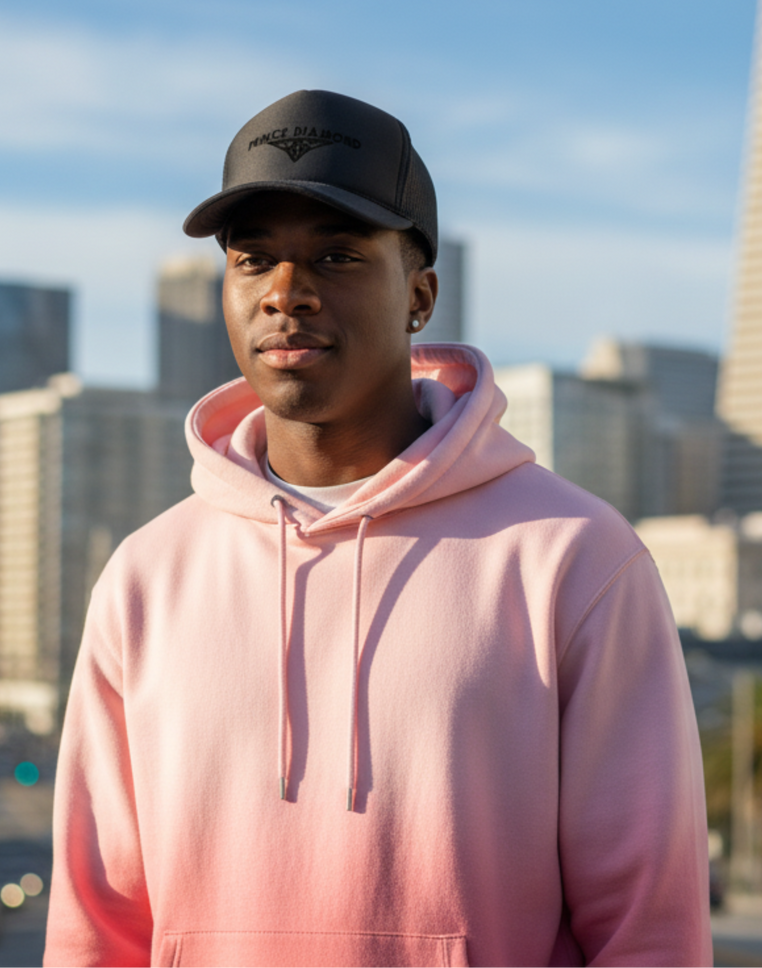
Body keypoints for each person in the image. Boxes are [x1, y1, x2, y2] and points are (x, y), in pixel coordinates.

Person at [44, 90, 711, 967]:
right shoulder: (146, 575)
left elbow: (648, 932)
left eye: (336, 256)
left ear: (420, 296)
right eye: (254, 261)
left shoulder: (573, 558)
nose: (289, 294)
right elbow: (98, 925)